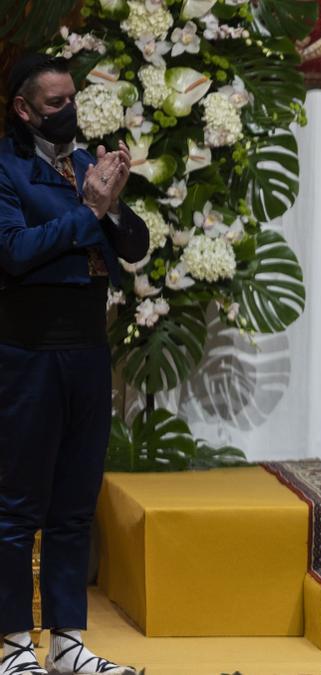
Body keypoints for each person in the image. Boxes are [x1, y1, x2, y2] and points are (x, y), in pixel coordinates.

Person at [0, 54, 147, 675]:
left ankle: (66, 646)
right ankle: (12, 647)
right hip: (28, 353)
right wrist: (85, 213)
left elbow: (134, 246)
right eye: (55, 103)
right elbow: (12, 253)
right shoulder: (6, 170)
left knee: (74, 504)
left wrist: (111, 205)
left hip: (89, 351)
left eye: (72, 99)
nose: (69, 111)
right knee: (17, 508)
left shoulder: (89, 165)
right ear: (25, 109)